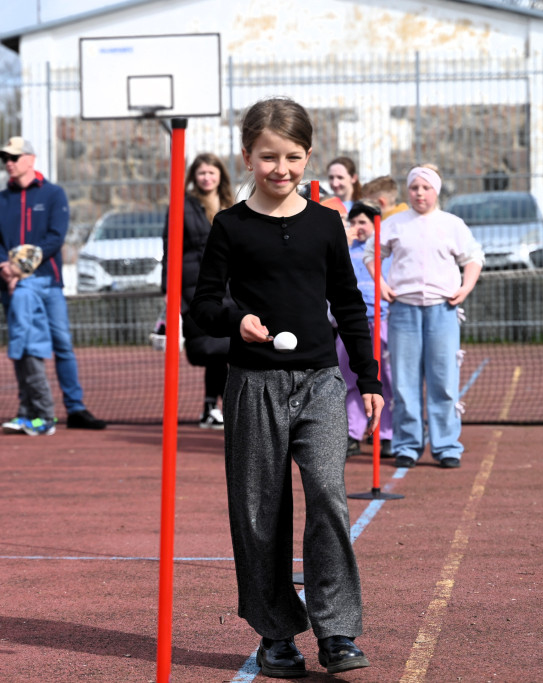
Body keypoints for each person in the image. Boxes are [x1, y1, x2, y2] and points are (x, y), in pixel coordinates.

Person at [190, 97, 380, 677]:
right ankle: (276, 632)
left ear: (309, 156)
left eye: (293, 157)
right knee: (258, 512)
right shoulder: (230, 225)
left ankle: (338, 630)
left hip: (322, 382)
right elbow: (203, 305)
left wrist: (368, 376)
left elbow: (348, 303)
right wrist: (235, 320)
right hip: (253, 384)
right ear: (246, 156)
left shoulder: (326, 223)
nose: (281, 168)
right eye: (268, 157)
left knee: (328, 495)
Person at [364, 165, 484, 469]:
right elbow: (371, 253)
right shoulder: (395, 224)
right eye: (414, 187)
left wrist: (465, 288)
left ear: (436, 191)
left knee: (443, 380)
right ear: (408, 190)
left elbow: (473, 258)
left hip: (442, 310)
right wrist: (382, 285)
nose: (419, 193)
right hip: (403, 310)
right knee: (404, 382)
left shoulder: (452, 224)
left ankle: (446, 446)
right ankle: (407, 445)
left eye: (426, 187)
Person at [0, 136, 106, 430]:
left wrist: (21, 266)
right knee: (24, 345)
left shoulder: (53, 194)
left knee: (62, 344)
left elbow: (55, 236)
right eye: (6, 159)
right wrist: (5, 266)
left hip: (48, 282)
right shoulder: (0, 200)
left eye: (14, 158)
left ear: (30, 159)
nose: (9, 164)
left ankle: (75, 408)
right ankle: (29, 409)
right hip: (12, 287)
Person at [161, 152, 234, 429]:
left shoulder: (230, 204)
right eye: (202, 173)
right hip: (195, 288)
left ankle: (215, 407)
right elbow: (170, 250)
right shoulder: (183, 205)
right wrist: (172, 293)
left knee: (227, 350)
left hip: (229, 286)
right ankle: (210, 407)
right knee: (211, 351)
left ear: (220, 176)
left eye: (212, 173)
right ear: (195, 176)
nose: (207, 178)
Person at [339, 201, 395, 458]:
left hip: (381, 322)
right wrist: (344, 245)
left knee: (384, 380)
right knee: (350, 378)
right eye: (354, 222)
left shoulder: (386, 253)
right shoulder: (344, 250)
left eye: (363, 222)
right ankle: (353, 433)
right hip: (350, 324)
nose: (358, 228)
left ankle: (386, 435)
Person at [0, 244, 58, 437]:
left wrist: (14, 350)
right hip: (30, 345)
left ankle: (46, 419)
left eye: (11, 263)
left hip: (30, 346)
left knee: (35, 381)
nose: (8, 266)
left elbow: (21, 325)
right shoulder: (25, 290)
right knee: (25, 382)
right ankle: (27, 414)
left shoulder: (22, 294)